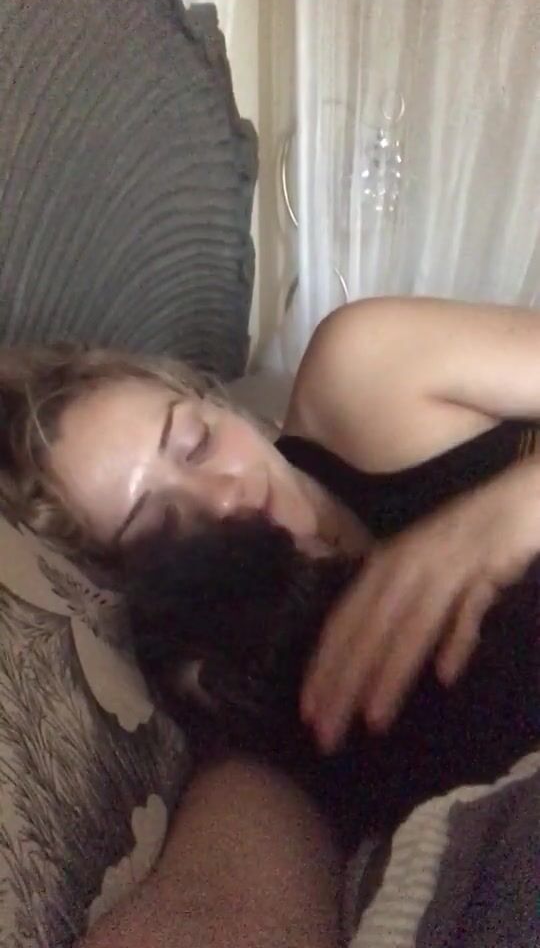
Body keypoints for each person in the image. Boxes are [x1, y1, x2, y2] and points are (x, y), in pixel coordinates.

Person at [2, 294, 540, 946]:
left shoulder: (363, 367)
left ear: (215, 401)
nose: (226, 495)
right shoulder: (249, 689)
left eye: (196, 444)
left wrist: (504, 515)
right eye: (159, 526)